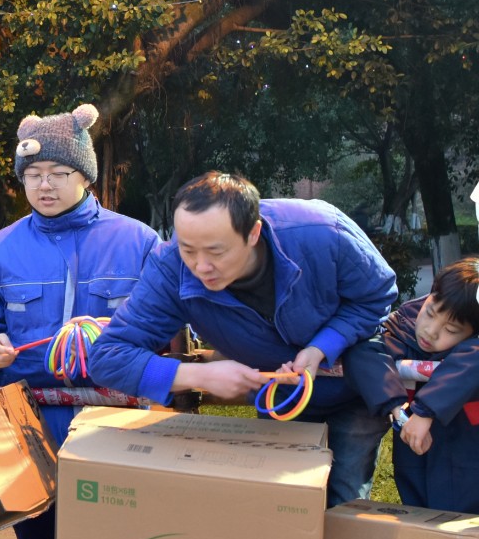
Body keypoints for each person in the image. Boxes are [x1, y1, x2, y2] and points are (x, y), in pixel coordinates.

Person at [88, 171, 398, 505]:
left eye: (216, 251)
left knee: (344, 502)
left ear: (253, 233)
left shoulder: (323, 232)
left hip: (353, 390)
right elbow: (107, 358)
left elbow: (375, 296)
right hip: (280, 399)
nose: (200, 267)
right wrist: (198, 375)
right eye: (188, 249)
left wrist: (323, 347)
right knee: (284, 506)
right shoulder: (170, 268)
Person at [0, 105, 158, 539]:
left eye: (59, 173)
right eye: (33, 174)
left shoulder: (138, 242)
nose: (44, 185)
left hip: (113, 422)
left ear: (85, 176)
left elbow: (164, 327)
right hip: (29, 427)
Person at [343, 258, 479, 512]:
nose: (431, 331)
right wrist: (400, 411)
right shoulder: (403, 326)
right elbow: (364, 351)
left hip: (468, 455)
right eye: (430, 312)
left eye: (451, 329)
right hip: (415, 456)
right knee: (420, 516)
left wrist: (425, 411)